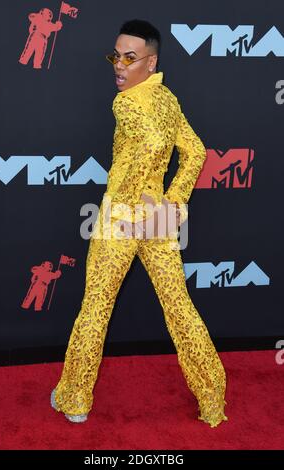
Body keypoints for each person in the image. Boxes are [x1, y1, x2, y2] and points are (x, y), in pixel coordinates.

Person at [50, 19, 228, 427]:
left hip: (121, 218)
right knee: (179, 308)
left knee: (95, 306)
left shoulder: (125, 102)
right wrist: (171, 202)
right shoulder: (168, 99)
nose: (119, 66)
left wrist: (131, 201)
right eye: (116, 56)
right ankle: (212, 399)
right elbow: (196, 151)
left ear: (151, 62)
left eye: (130, 58)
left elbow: (150, 147)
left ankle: (75, 398)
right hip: (159, 218)